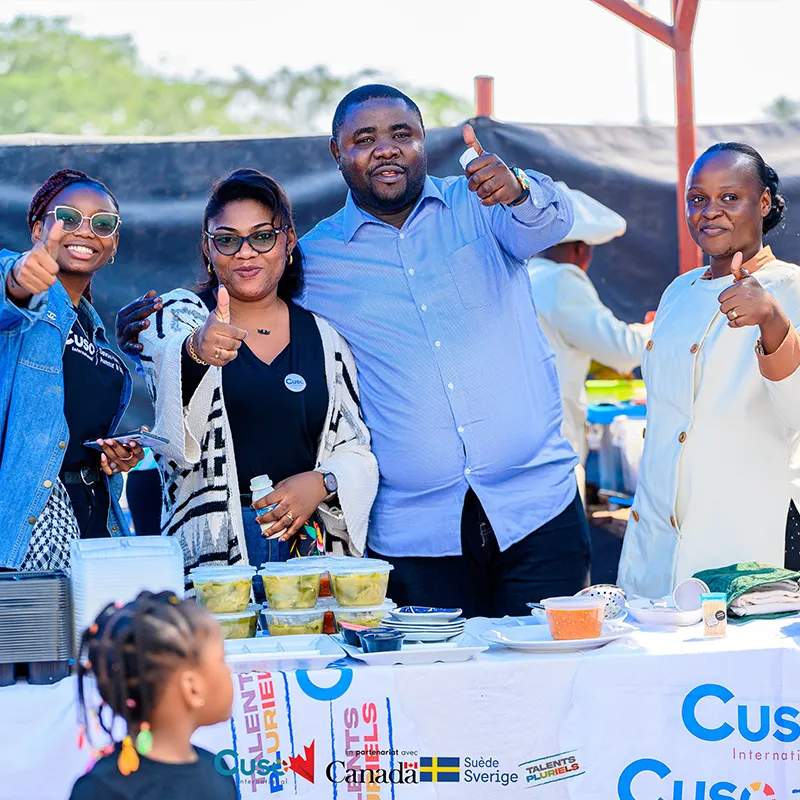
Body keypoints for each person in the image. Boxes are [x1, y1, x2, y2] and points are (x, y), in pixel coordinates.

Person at [117, 84, 588, 617]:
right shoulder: (317, 258)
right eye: (365, 138)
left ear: (423, 143)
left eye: (401, 134)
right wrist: (160, 326)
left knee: (556, 678)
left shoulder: (484, 208)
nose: (386, 148)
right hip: (415, 535)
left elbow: (555, 221)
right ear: (337, 152)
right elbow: (248, 284)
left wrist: (519, 187)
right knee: (433, 691)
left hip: (537, 512)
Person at [136, 169, 377, 581]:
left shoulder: (324, 338)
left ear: (288, 242)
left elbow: (356, 447)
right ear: (208, 251)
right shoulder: (179, 317)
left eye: (262, 236)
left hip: (306, 542)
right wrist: (197, 348)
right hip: (213, 547)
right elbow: (166, 371)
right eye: (227, 240)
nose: (245, 252)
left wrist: (322, 481)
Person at [618, 142, 800, 598]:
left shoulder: (790, 287)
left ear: (763, 203)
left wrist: (773, 322)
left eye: (729, 198)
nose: (710, 212)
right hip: (658, 534)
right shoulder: (678, 291)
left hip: (743, 531)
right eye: (698, 199)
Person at [0, 169, 144, 572]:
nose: (85, 231)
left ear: (113, 245)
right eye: (67, 218)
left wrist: (114, 455)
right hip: (27, 529)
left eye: (103, 223)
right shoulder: (31, 306)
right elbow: (7, 293)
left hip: (95, 519)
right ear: (36, 229)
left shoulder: (96, 335)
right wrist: (17, 278)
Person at [527, 185, 653, 496]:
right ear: (582, 250)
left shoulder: (528, 275)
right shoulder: (561, 280)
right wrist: (662, 326)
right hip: (554, 454)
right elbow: (624, 350)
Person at [70, 591, 236, 800]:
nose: (229, 670)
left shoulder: (218, 772)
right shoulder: (102, 792)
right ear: (191, 688)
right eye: (222, 659)